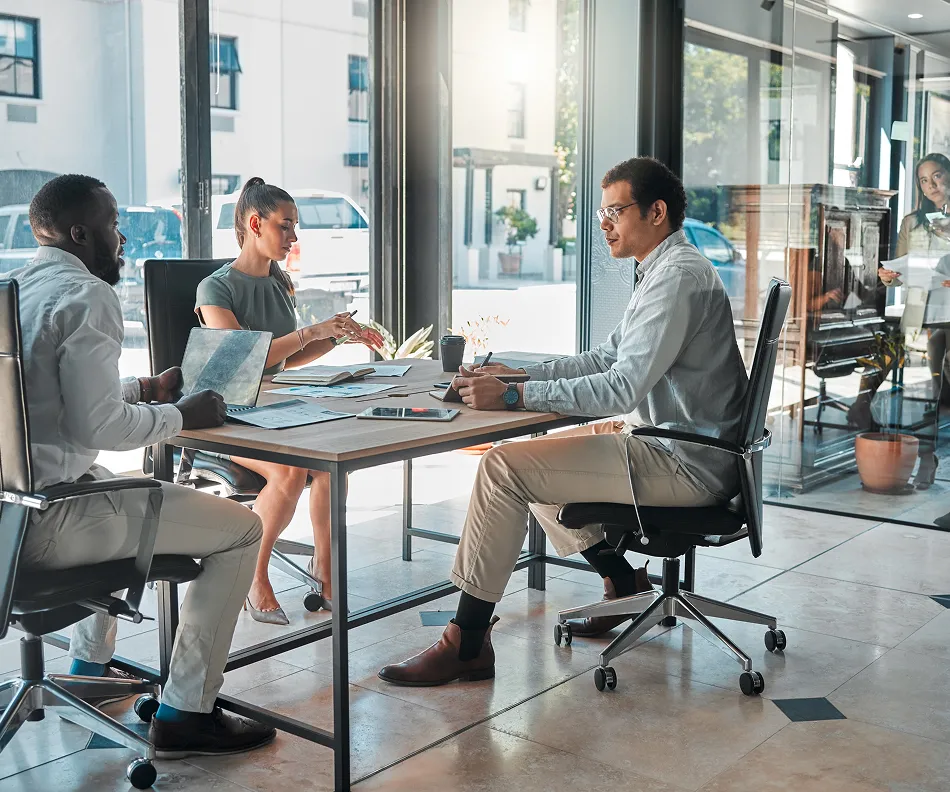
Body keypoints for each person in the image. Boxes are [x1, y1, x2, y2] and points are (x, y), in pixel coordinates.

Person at [377, 157, 749, 686]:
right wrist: (521, 374)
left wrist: (512, 397)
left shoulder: (678, 279)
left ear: (657, 212)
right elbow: (605, 359)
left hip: (687, 461)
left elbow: (620, 388)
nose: (604, 223)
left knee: (507, 468)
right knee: (542, 456)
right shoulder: (664, 269)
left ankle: (467, 641)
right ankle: (621, 583)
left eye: (615, 211)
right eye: (603, 211)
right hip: (684, 445)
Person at [8, 174, 275, 757]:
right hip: (50, 523)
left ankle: (91, 672)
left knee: (123, 485)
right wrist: (182, 414)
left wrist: (143, 389)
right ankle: (185, 712)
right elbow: (97, 429)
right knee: (242, 529)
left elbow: (48, 401)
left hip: (11, 513)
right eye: (112, 224)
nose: (123, 238)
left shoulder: (15, 289)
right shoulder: (87, 295)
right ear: (81, 233)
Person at [195, 177, 383, 624]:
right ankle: (254, 576)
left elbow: (290, 357)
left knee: (329, 463)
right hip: (217, 414)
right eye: (286, 226)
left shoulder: (279, 284)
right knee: (291, 468)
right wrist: (310, 331)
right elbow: (243, 360)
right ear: (255, 224)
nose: (293, 237)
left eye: (295, 226)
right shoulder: (214, 289)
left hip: (268, 408)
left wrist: (335, 337)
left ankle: (326, 572)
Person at [852, 153, 950, 488]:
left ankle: (929, 457)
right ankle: (919, 455)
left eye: (937, 176)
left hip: (947, 317)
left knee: (942, 395)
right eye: (924, 180)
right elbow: (895, 276)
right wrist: (888, 275)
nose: (932, 185)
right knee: (923, 396)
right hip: (919, 315)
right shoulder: (912, 222)